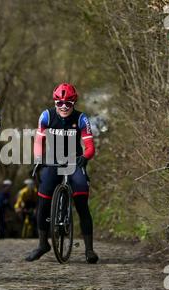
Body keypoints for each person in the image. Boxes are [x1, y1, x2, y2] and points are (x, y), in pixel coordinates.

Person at [26, 83, 99, 263]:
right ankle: (43, 244)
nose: (64, 107)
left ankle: (89, 250)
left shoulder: (81, 118)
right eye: (60, 103)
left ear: (74, 102)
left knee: (81, 200)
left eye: (68, 103)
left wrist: (85, 157)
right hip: (53, 160)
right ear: (55, 102)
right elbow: (38, 141)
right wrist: (37, 160)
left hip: (74, 160)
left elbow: (90, 146)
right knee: (43, 202)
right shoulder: (46, 116)